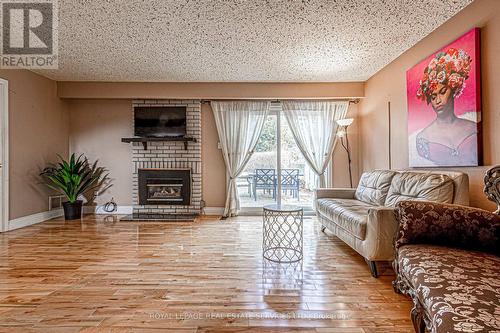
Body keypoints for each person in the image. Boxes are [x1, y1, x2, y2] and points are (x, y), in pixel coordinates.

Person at [414, 48, 478, 166]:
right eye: (433, 97)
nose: (438, 100)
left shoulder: (473, 127)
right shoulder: (423, 137)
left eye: (443, 92)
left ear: (454, 89)